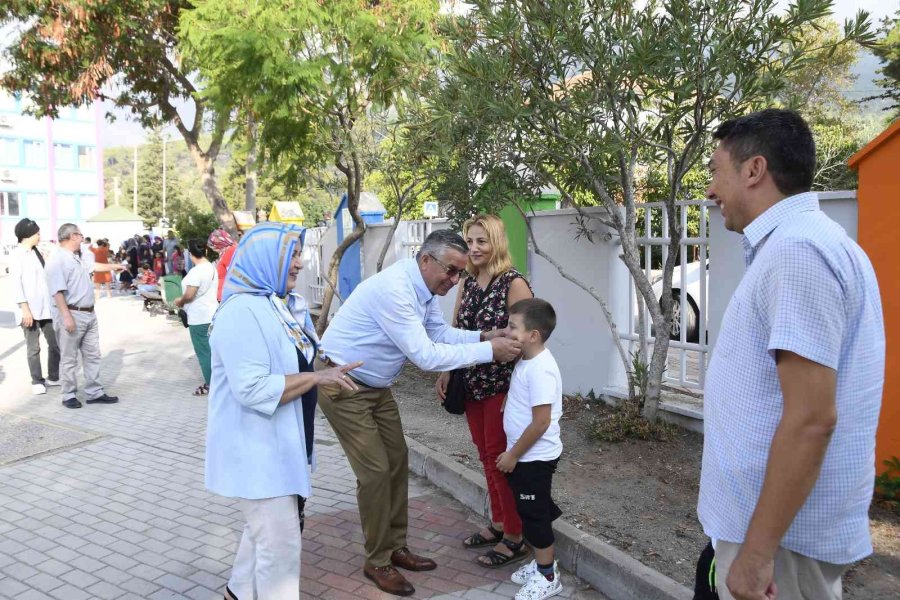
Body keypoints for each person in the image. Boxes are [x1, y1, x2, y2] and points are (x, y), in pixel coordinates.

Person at [697, 109, 885, 600]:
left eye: (716, 170)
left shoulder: (799, 252)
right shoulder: (798, 244)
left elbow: (811, 419)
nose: (711, 190)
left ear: (754, 170)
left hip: (782, 548)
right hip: (770, 532)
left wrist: (757, 555)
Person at [317, 229, 523, 596]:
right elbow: (425, 355)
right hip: (344, 384)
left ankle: (395, 547)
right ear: (426, 260)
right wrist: (491, 352)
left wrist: (485, 336)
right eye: (451, 271)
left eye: (460, 273)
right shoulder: (395, 290)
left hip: (375, 387)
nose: (455, 280)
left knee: (397, 461)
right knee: (377, 472)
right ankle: (377, 560)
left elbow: (440, 332)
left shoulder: (424, 288)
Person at [205, 222, 362, 600]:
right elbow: (253, 388)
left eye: (298, 254)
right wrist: (315, 380)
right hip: (256, 453)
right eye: (290, 255)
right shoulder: (241, 312)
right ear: (262, 259)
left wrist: (322, 367)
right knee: (280, 547)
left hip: (280, 448)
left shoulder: (277, 304)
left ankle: (238, 592)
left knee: (264, 531)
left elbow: (302, 356)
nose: (298, 264)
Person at [435, 214, 533, 568]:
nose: (474, 248)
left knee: (501, 458)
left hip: (501, 388)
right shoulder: (468, 282)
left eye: (481, 241)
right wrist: (448, 370)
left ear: (497, 243)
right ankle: (498, 523)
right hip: (472, 384)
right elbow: (457, 330)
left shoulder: (514, 283)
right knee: (484, 455)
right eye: (470, 241)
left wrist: (518, 392)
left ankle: (515, 536)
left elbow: (530, 342)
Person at [495, 298, 564, 600]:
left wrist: (512, 455)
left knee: (534, 517)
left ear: (533, 335)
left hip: (533, 457)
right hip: (526, 455)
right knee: (532, 509)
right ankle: (541, 564)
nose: (506, 331)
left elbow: (541, 423)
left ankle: (548, 577)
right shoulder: (527, 359)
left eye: (512, 327)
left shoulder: (541, 369)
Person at [45, 223, 125, 409]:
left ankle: (94, 392)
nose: (83, 238)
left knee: (92, 354)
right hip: (72, 313)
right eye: (80, 235)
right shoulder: (57, 259)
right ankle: (69, 394)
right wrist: (66, 316)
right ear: (73, 236)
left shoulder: (78, 257)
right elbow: (57, 292)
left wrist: (114, 266)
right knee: (69, 358)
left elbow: (94, 266)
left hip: (88, 313)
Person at [9, 218, 60, 395]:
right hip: (29, 310)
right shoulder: (16, 255)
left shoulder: (36, 253)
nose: (40, 236)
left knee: (55, 344)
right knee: (33, 348)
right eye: (37, 233)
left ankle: (54, 376)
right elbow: (16, 284)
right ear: (28, 235)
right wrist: (25, 309)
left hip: (46, 308)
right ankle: (37, 380)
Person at [175, 239, 219, 396]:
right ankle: (220, 382)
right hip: (212, 314)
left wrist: (179, 301)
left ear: (190, 253)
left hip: (199, 318)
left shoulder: (196, 271)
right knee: (213, 351)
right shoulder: (212, 268)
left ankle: (211, 384)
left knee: (204, 352)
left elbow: (189, 294)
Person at [208, 228, 237, 301]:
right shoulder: (226, 252)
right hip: (224, 295)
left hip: (227, 296)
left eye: (214, 247)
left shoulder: (230, 251)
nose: (214, 250)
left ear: (219, 243)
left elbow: (234, 274)